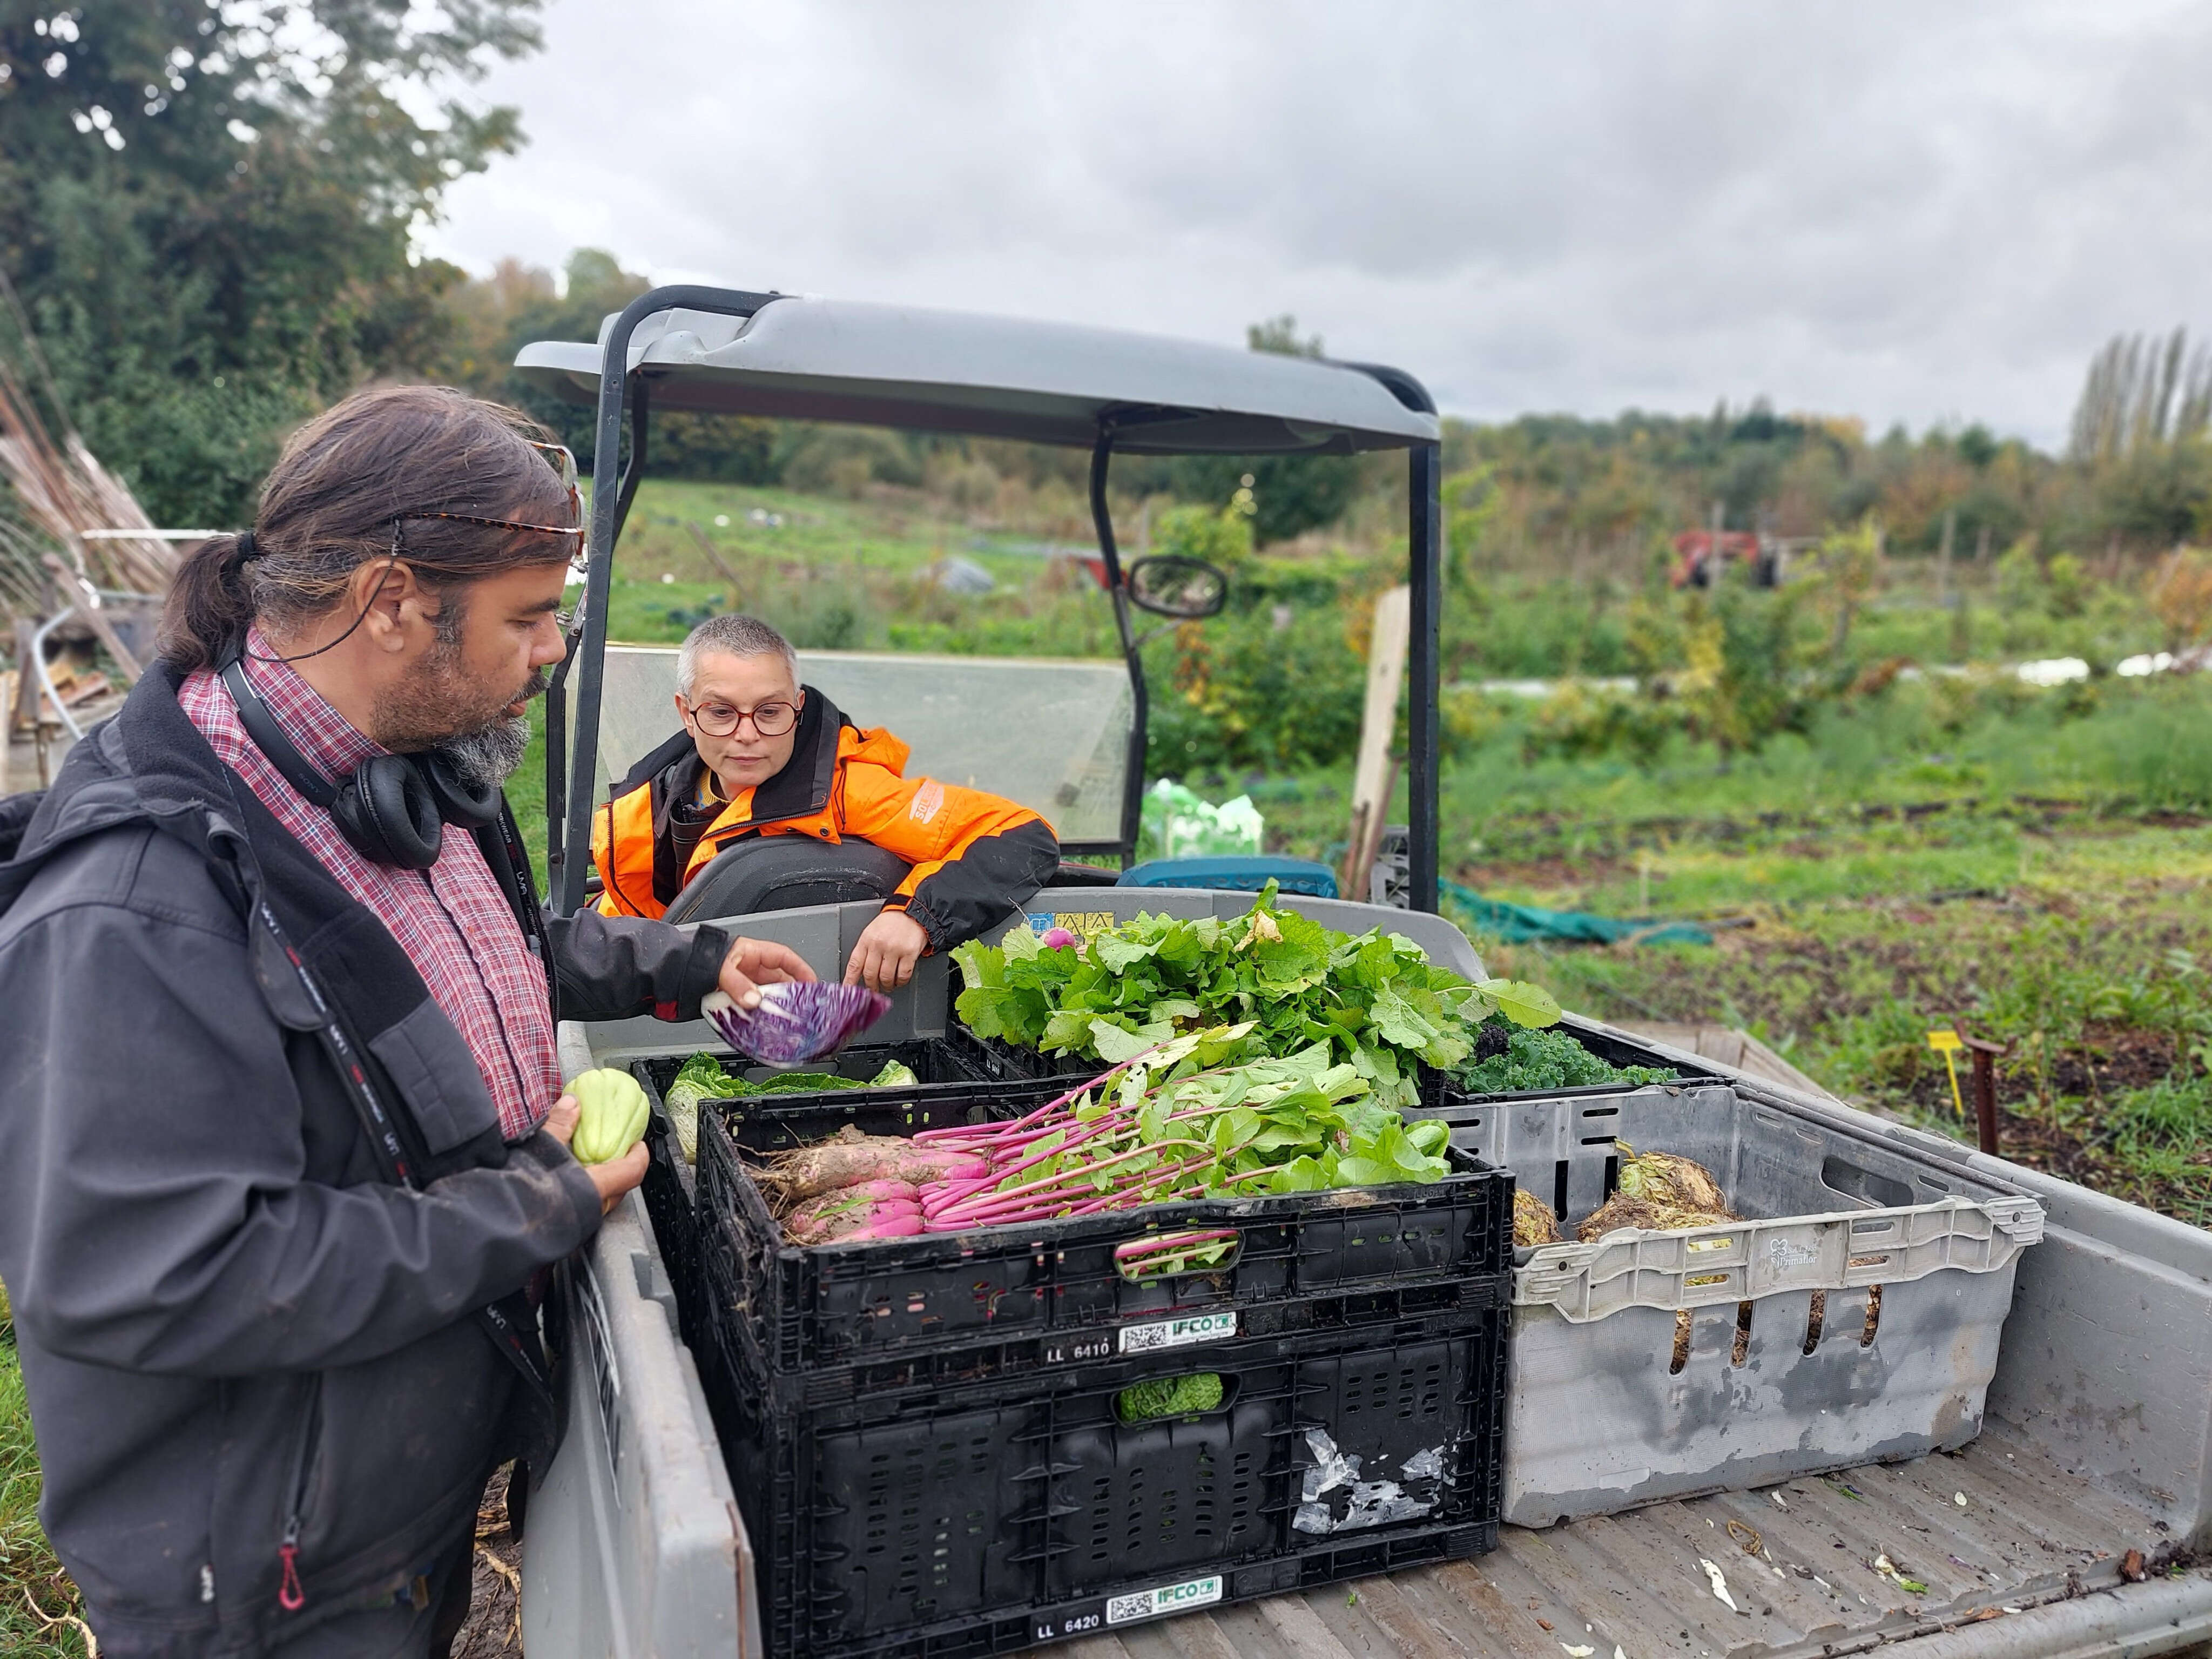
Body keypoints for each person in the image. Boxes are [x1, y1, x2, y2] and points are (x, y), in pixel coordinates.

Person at [0, 386, 814, 1657]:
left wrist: (687, 955)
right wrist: (533, 1204)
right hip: (266, 1563)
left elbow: (465, 951)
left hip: (390, 1485)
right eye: (529, 616)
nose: (552, 650)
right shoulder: (140, 903)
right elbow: (165, 1270)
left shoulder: (396, 762)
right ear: (391, 599)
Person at [590, 612, 1060, 991]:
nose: (747, 735)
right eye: (721, 712)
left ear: (797, 709)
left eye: (770, 712)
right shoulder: (647, 810)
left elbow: (1023, 835)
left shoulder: (851, 791)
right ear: (685, 713)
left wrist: (917, 918)